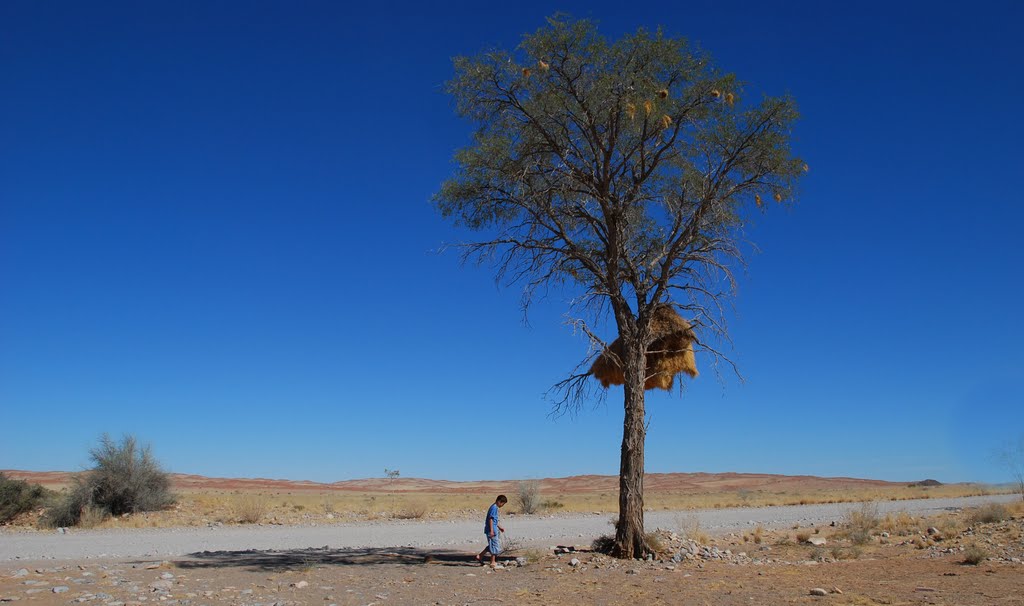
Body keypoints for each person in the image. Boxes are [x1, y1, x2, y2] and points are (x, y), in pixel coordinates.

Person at [476, 494, 507, 567]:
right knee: (494, 545)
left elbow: (495, 521)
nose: (502, 505)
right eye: (503, 503)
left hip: (493, 528)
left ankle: (480, 556)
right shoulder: (494, 508)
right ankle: (492, 561)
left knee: (491, 544)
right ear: (499, 501)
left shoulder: (494, 508)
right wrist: (492, 530)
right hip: (491, 529)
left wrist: (500, 527)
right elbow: (491, 519)